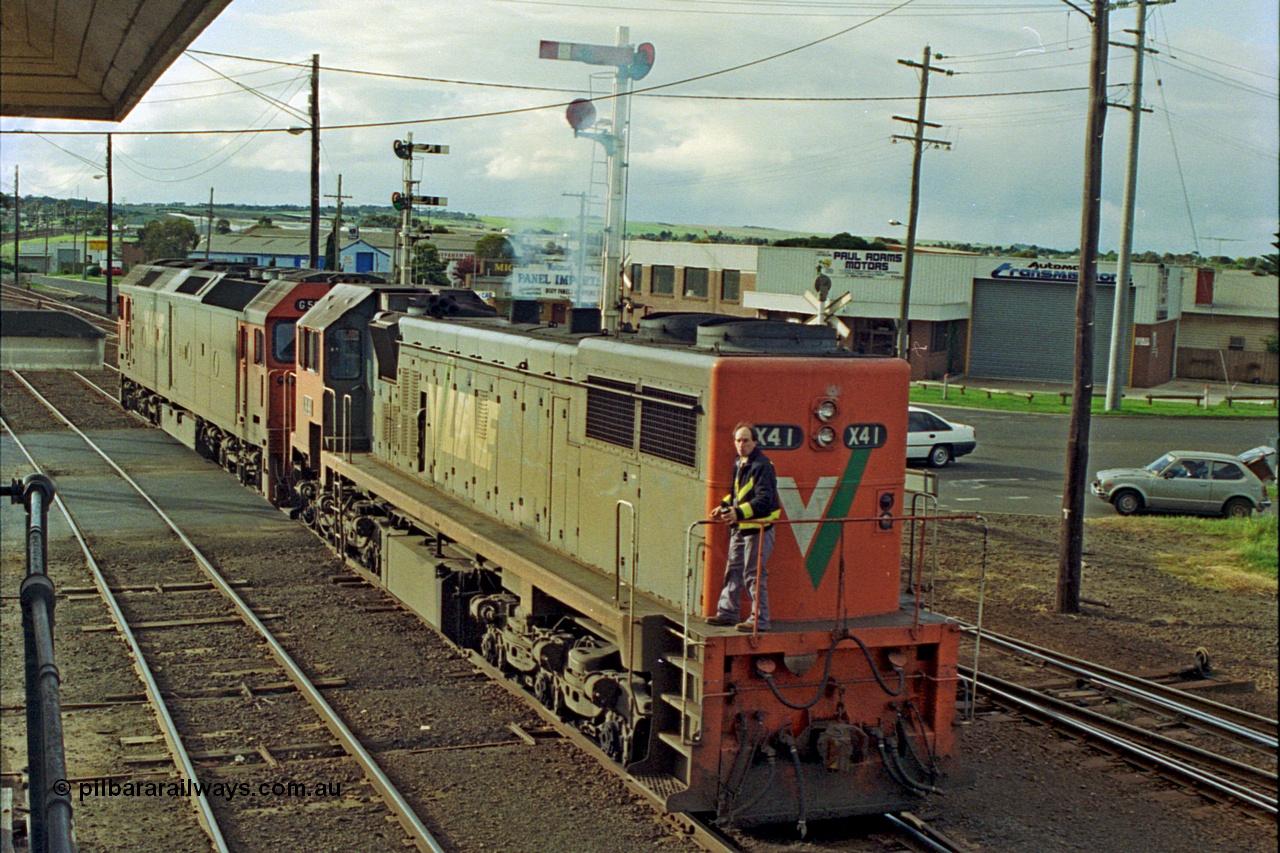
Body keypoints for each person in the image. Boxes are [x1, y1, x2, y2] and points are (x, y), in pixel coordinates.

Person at [707, 423, 781, 632]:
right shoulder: (740, 462)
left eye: (746, 440)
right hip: (741, 526)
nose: (741, 444)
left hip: (759, 528)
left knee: (753, 574)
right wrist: (723, 506)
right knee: (734, 569)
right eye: (738, 440)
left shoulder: (762, 465)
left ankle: (760, 620)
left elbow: (765, 499)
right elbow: (739, 493)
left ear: (755, 442)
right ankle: (728, 613)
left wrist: (737, 513)